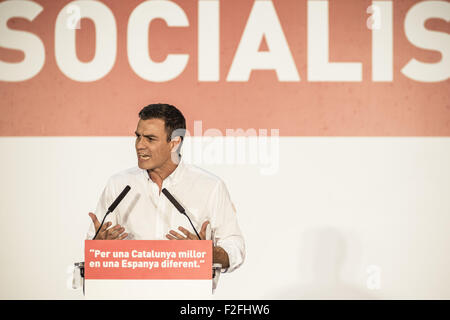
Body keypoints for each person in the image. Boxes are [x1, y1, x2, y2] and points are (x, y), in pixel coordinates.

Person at [86, 103, 245, 272]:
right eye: (138, 136)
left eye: (150, 139)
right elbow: (95, 247)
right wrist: (98, 247)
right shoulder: (118, 184)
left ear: (175, 143)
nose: (139, 145)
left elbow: (235, 247)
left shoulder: (210, 186)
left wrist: (207, 253)